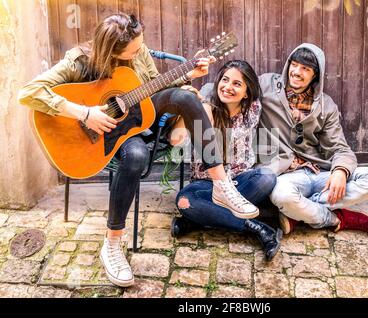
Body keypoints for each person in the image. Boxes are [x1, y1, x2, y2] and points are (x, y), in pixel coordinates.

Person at [18, 13, 259, 287]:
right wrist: (85, 113)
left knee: (184, 96)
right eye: (133, 50)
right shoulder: (79, 60)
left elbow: (153, 85)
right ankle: (112, 245)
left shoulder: (138, 49)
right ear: (111, 51)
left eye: (140, 45)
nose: (140, 51)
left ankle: (220, 183)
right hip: (109, 134)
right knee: (136, 155)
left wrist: (188, 74)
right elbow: (28, 93)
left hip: (140, 117)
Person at [257, 43, 368, 235]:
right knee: (281, 195)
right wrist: (205, 101)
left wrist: (341, 171)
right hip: (286, 176)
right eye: (294, 65)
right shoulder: (266, 85)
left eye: (305, 69)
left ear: (315, 75)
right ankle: (335, 218)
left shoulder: (326, 106)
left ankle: (298, 212)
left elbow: (340, 148)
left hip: (318, 174)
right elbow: (231, 88)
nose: (296, 72)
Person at [168, 60, 282, 261]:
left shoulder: (253, 108)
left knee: (267, 177)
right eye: (225, 80)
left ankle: (196, 222)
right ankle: (257, 228)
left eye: (237, 84)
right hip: (208, 185)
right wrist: (188, 107)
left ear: (247, 92)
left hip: (240, 182)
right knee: (185, 201)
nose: (228, 87)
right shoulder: (206, 109)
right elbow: (175, 140)